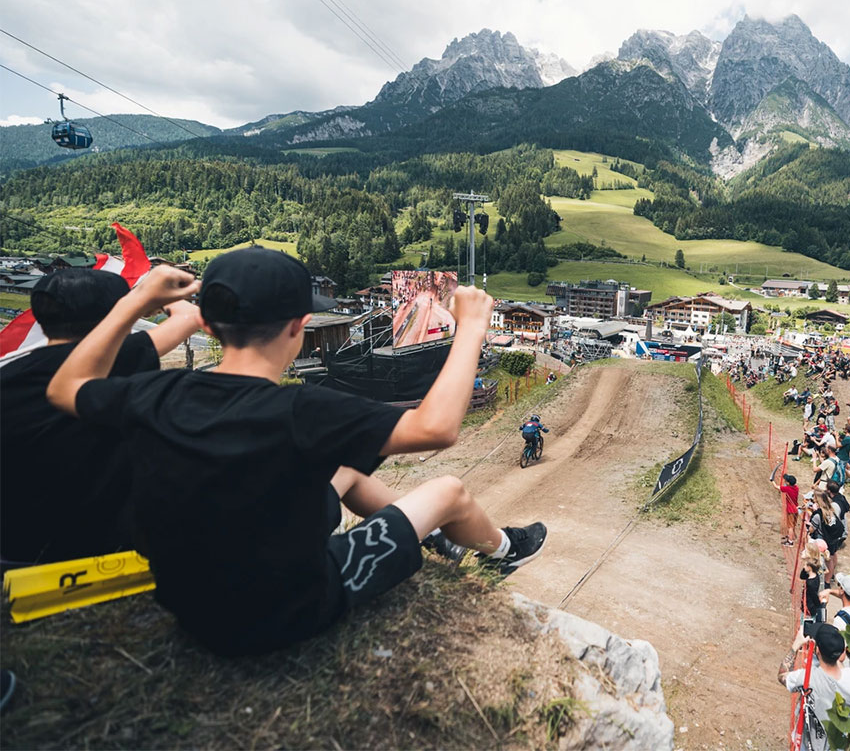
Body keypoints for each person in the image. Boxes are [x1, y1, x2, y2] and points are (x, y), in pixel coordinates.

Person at [46, 250, 547, 657]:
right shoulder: (302, 411)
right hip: (287, 614)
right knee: (449, 491)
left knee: (346, 468)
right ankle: (502, 549)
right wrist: (473, 328)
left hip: (190, 610)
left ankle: (443, 543)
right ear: (298, 326)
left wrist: (135, 302)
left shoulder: (157, 393)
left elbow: (67, 386)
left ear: (210, 328)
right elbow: (436, 428)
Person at [1, 268, 201, 567]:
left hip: (18, 546)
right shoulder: (125, 358)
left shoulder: (9, 374)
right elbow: (189, 318)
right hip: (105, 546)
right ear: (116, 316)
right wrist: (147, 296)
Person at [779, 623, 850, 740]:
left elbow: (782, 675)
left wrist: (796, 645)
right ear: (842, 653)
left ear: (817, 651)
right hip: (837, 744)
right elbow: (839, 669)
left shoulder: (808, 678)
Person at [774, 473, 800, 546]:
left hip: (790, 509)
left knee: (790, 526)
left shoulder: (787, 489)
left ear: (788, 483)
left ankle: (790, 541)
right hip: (796, 508)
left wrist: (772, 481)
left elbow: (776, 487)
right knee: (793, 524)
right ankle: (791, 536)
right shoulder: (796, 488)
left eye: (786, 481)